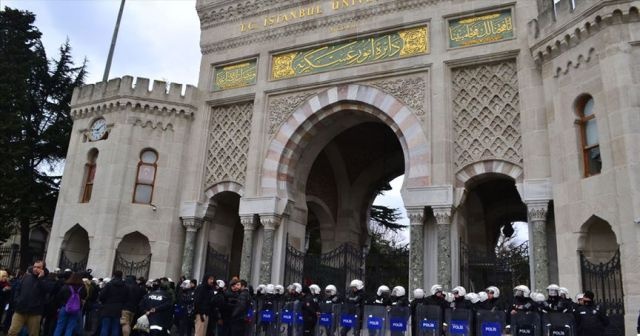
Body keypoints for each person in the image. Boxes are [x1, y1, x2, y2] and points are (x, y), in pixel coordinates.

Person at [7, 260, 52, 336]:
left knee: (33, 334)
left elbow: (48, 290)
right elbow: (18, 289)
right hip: (20, 310)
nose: (35, 269)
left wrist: (40, 279)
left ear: (43, 269)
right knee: (12, 332)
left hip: (35, 312)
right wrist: (17, 300)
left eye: (38, 267)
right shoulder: (26, 277)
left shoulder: (46, 279)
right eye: (34, 267)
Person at [99, 270, 128, 336]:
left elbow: (101, 296)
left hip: (107, 307)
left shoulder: (109, 285)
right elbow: (127, 298)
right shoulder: (125, 286)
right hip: (119, 308)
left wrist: (104, 302)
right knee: (115, 327)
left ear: (113, 276)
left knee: (105, 327)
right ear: (121, 276)